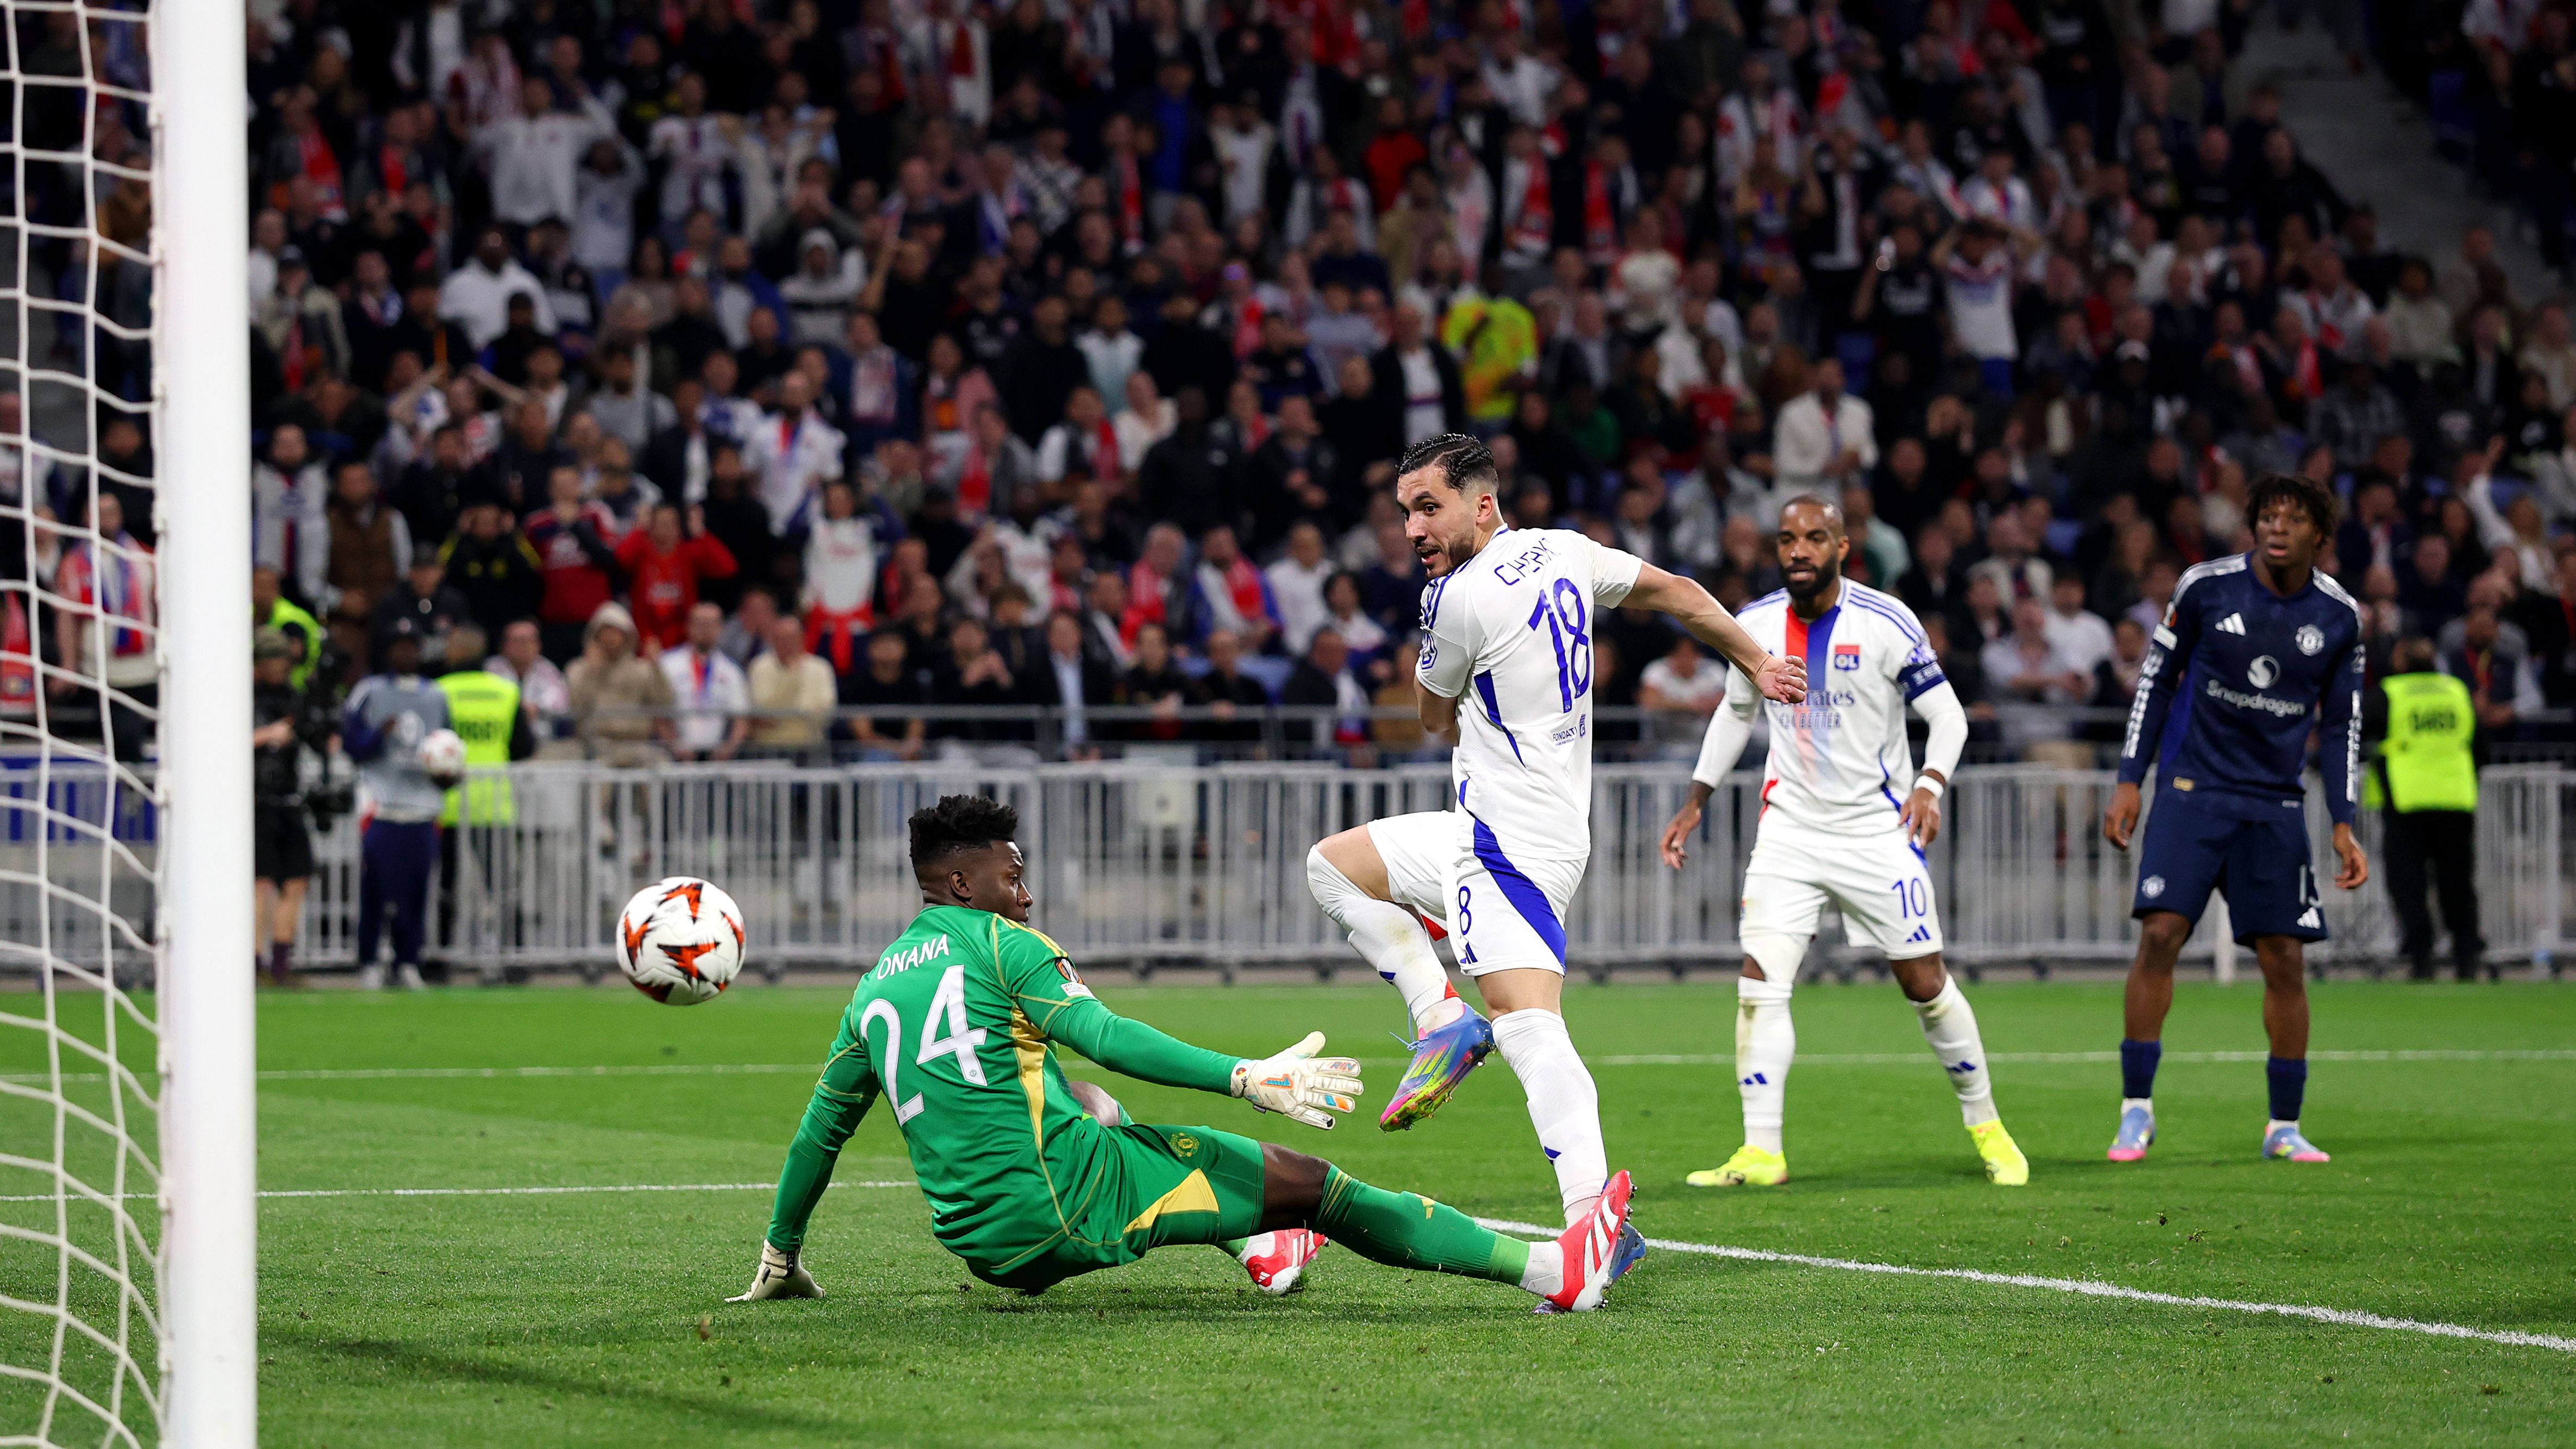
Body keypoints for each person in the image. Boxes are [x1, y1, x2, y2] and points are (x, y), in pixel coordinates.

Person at [727, 795, 1641, 1313]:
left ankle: (1258, 1247)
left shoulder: (875, 987)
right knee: (1319, 1186)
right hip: (1066, 1207)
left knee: (1082, 1102)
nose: (1027, 891)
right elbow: (1109, 1035)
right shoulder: (1007, 948)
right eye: (1012, 876)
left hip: (980, 1242)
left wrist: (780, 1259)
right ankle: (1553, 1272)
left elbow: (819, 1135)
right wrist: (1248, 1076)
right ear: (963, 882)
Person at [1302, 434, 1802, 1235]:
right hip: (1510, 825)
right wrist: (1756, 659)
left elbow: (1431, 719)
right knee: (1333, 866)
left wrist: (1442, 678)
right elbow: (1675, 590)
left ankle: (1591, 1228)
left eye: (1429, 507)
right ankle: (1440, 1019)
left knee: (1531, 1028)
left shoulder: (1454, 599)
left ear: (1483, 503)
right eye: (1404, 513)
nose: (1413, 529)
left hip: (1510, 840)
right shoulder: (1564, 551)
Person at [1656, 497, 2025, 1188]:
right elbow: (1736, 713)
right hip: (1790, 830)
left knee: (1925, 983)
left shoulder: (1887, 620)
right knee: (1760, 983)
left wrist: (1931, 785)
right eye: (1788, 538)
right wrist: (1696, 799)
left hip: (1875, 831)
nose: (1799, 549)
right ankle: (1762, 1150)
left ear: (1843, 546)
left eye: (1814, 537)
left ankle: (1988, 1124)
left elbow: (1946, 715)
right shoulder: (1758, 624)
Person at [2104, 472, 2369, 1165]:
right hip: (2193, 792)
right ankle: (2136, 1111)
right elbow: (2155, 682)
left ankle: (2283, 1123)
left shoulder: (2340, 616)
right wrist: (2131, 780)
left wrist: (2343, 818)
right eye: (2268, 516)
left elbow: (2341, 723)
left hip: (2275, 805)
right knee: (2159, 936)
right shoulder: (2204, 587)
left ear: (2320, 532)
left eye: (2294, 517)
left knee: (2284, 959)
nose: (2278, 527)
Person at [339, 616, 452, 990]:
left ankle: (408, 961)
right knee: (376, 888)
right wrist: (376, 736)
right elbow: (351, 746)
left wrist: (446, 774)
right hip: (382, 804)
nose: (406, 653)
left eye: (412, 646)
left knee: (417, 889)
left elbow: (448, 751)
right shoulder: (369, 691)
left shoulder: (435, 696)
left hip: (422, 806)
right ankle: (370, 960)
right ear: (388, 652)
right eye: (399, 646)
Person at [2369, 636, 2485, 981]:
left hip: (2407, 799)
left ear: (2402, 662)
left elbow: (2354, 733)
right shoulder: (2456, 691)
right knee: (2458, 882)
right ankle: (2466, 957)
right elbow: (2479, 743)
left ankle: (2422, 958)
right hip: (2455, 798)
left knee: (2408, 883)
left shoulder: (2390, 693)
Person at [253, 629, 331, 987]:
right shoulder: (243, 698)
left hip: (289, 799)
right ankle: (253, 963)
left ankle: (281, 964)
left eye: (282, 658)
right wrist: (268, 735)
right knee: (261, 884)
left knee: (296, 881)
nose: (278, 665)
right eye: (271, 658)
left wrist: (322, 734)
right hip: (255, 802)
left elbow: (313, 738)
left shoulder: (295, 699)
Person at [660, 601, 752, 761]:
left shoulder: (731, 671)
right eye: (700, 624)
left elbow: (741, 719)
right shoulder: (668, 665)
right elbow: (658, 714)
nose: (705, 630)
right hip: (675, 756)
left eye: (711, 624)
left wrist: (728, 748)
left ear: (720, 629)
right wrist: (675, 746)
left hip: (715, 759)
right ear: (688, 627)